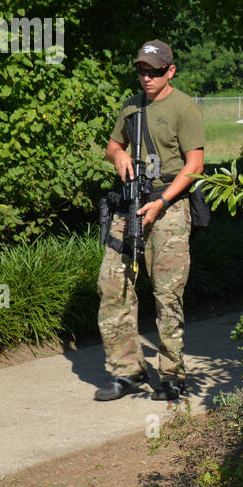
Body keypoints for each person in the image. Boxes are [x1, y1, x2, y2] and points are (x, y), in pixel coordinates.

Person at [95, 40, 205, 402]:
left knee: (167, 293)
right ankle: (126, 372)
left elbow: (195, 166)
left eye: (154, 71)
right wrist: (119, 156)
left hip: (168, 206)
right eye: (142, 71)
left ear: (170, 70)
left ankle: (172, 374)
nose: (147, 78)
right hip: (129, 204)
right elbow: (112, 145)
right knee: (113, 286)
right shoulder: (131, 106)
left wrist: (163, 202)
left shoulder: (183, 107)